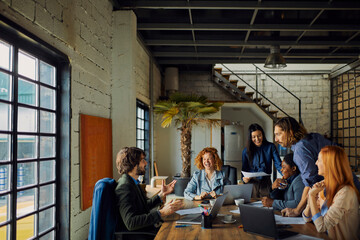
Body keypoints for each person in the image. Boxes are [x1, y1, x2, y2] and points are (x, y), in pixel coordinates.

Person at [274, 117, 360, 217]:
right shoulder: (313, 137)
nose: (276, 139)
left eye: (278, 134)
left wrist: (297, 210)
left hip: (337, 196)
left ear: (290, 132)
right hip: (350, 185)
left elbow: (311, 183)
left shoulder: (300, 149)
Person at [115, 147, 183, 239]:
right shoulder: (125, 187)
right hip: (139, 235)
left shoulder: (132, 182)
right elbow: (131, 222)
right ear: (133, 163)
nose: (146, 163)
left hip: (145, 229)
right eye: (143, 160)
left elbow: (142, 207)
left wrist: (161, 195)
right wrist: (161, 212)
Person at [302, 146, 360, 240]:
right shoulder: (323, 187)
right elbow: (307, 218)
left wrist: (312, 196)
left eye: (319, 160)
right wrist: (311, 196)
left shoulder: (346, 193)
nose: (316, 163)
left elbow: (322, 227)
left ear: (330, 164)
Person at [242, 123, 282, 198]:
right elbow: (244, 170)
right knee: (251, 207)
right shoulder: (245, 151)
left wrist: (286, 175)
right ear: (250, 138)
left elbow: (278, 164)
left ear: (263, 134)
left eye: (259, 135)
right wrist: (244, 179)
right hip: (251, 184)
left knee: (266, 206)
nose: (257, 139)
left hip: (266, 183)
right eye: (254, 137)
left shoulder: (271, 147)